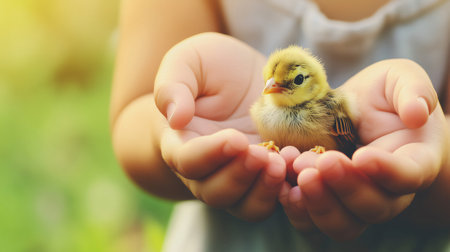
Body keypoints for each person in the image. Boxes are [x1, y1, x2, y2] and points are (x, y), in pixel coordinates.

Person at [110, 0, 450, 251]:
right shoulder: (261, 110)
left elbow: (352, 143)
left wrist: (421, 163)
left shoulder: (328, 110)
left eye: (293, 82)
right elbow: (134, 114)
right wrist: (169, 129)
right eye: (272, 82)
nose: (275, 88)